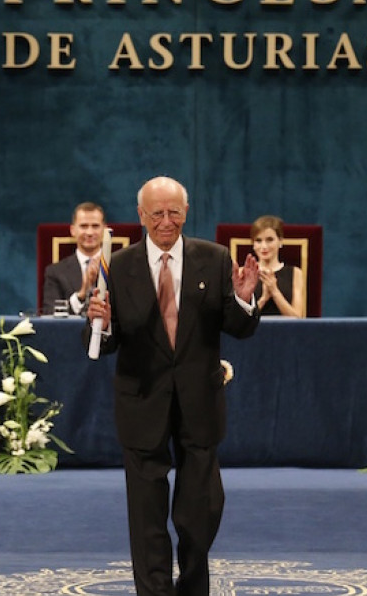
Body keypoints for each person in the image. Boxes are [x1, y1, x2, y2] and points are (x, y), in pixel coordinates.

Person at [85, 176, 260, 596]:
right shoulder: (119, 266)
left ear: (186, 212)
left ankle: (194, 587)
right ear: (141, 215)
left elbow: (239, 328)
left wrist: (242, 298)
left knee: (200, 511)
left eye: (174, 212)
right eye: (157, 213)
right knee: (146, 516)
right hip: (142, 401)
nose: (167, 221)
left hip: (200, 402)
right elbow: (104, 343)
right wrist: (102, 326)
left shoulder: (215, 259)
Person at [41, 202, 106, 316]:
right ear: (73, 230)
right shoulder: (55, 272)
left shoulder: (119, 267)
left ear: (104, 230)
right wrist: (81, 294)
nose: (90, 232)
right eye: (83, 226)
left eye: (95, 226)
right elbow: (50, 316)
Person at [250, 215, 306, 318]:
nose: (264, 246)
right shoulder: (243, 273)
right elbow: (239, 321)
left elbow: (298, 318)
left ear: (280, 241)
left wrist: (275, 292)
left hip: (286, 332)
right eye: (258, 240)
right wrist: (263, 299)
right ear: (253, 244)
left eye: (269, 240)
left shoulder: (295, 273)